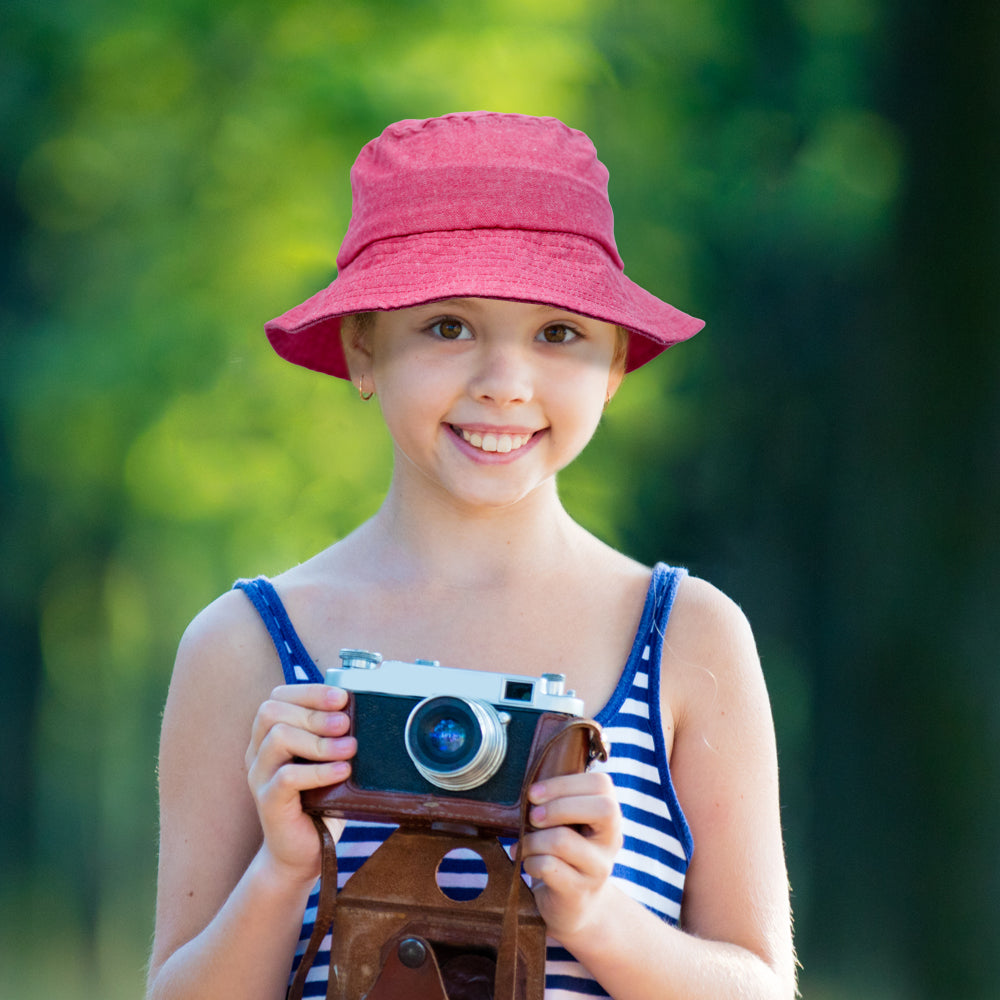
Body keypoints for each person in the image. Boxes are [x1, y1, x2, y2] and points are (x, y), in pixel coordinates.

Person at [146, 111, 796, 1000]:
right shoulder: (242, 648)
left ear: (615, 365)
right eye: (448, 327)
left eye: (558, 333)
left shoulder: (689, 638)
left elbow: (761, 986)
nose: (504, 380)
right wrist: (282, 871)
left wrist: (598, 919)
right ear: (362, 347)